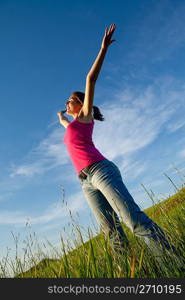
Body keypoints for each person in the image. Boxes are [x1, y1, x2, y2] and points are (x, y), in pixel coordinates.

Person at [57, 24, 180, 262]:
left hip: (100, 171)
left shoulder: (85, 116)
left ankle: (174, 264)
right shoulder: (72, 124)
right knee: (112, 233)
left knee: (132, 220)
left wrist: (103, 49)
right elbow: (66, 127)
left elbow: (90, 79)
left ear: (81, 104)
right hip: (85, 182)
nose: (67, 102)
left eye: (70, 100)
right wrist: (61, 118)